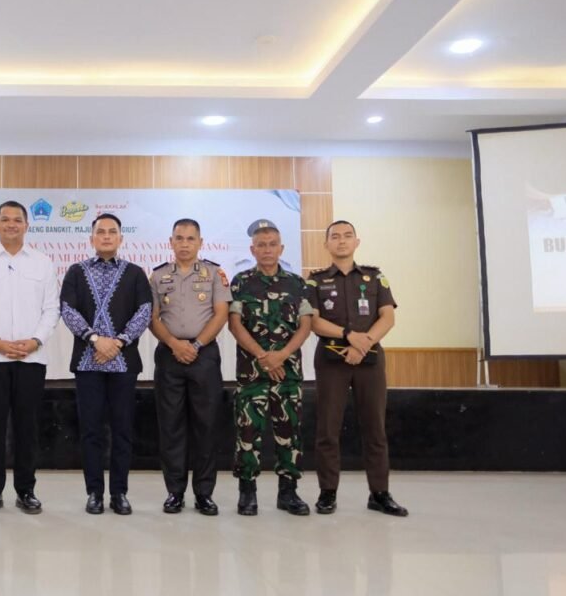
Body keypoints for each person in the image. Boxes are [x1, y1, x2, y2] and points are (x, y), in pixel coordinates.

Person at [0, 200, 59, 515]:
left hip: (31, 359)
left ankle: (26, 491)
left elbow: (51, 309)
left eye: (17, 220)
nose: (11, 224)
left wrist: (35, 341)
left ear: (27, 225)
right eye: (5, 219)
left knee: (27, 428)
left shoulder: (42, 263)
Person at [306, 220, 408, 517]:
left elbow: (387, 318)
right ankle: (327, 493)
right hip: (331, 361)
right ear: (326, 244)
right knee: (328, 429)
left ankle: (379, 493)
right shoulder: (315, 281)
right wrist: (349, 336)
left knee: (375, 428)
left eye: (347, 236)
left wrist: (363, 345)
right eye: (335, 237)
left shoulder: (375, 277)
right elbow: (314, 322)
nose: (341, 241)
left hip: (369, 360)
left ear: (356, 242)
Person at [60, 213, 152, 515]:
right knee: (91, 431)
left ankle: (119, 492)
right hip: (88, 363)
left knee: (123, 430)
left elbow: (144, 311)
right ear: (92, 238)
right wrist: (95, 339)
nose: (107, 236)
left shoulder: (135, 273)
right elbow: (68, 309)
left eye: (113, 232)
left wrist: (118, 342)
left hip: (124, 363)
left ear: (121, 238)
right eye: (101, 232)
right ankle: (95, 493)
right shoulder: (76, 271)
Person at [228, 219, 313, 516]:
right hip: (252, 372)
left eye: (272, 244)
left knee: (289, 431)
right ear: (252, 250)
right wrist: (264, 356)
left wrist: (282, 355)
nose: (267, 250)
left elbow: (305, 325)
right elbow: (235, 325)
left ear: (281, 248)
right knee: (247, 432)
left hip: (287, 372)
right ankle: (247, 492)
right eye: (261, 245)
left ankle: (288, 493)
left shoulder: (297, 284)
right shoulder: (240, 282)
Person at [149, 218, 231, 515]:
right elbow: (152, 317)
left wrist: (195, 345)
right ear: (171, 242)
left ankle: (204, 493)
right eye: (179, 238)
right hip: (169, 355)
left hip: (204, 356)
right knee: (171, 426)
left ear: (200, 242)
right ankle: (175, 492)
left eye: (190, 239)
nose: (184, 244)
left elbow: (221, 313)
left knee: (206, 426)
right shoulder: (158, 276)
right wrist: (174, 344)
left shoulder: (214, 273)